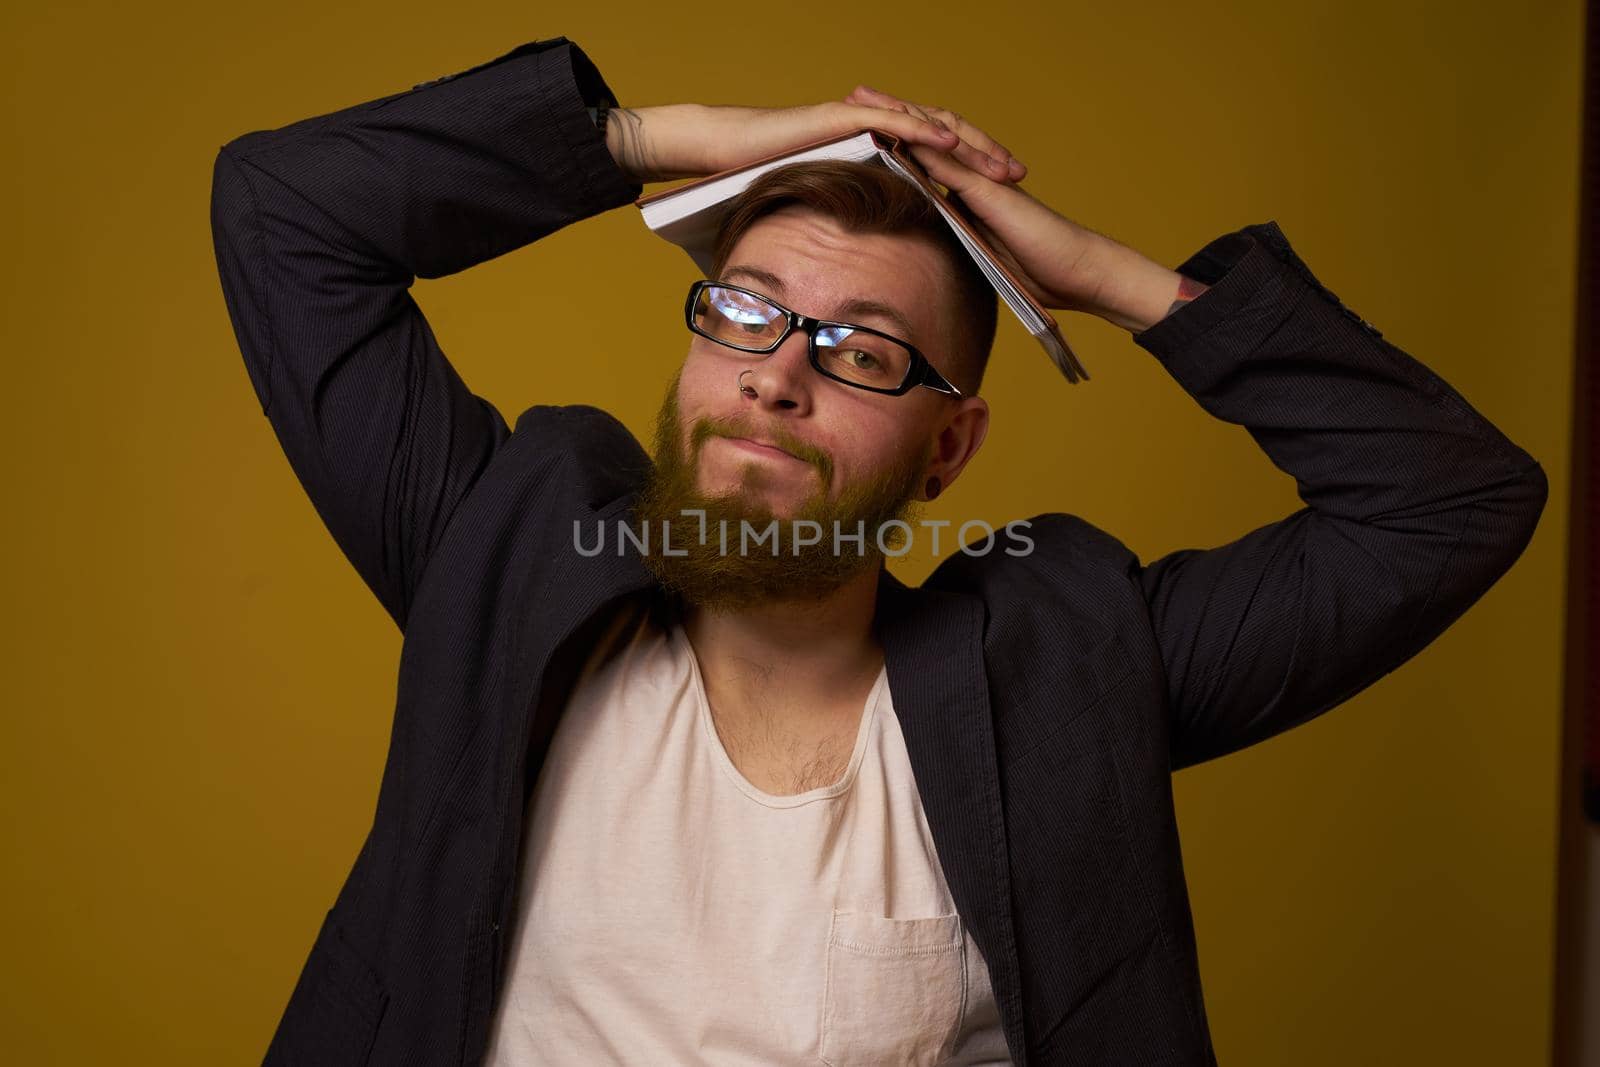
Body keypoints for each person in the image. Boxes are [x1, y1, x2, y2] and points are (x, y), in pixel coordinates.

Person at [208, 35, 1548, 1067]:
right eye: (745, 310)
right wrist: (669, 138)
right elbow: (285, 212)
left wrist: (1102, 276)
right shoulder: (500, 557)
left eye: (860, 350)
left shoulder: (1068, 672)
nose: (777, 378)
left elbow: (1450, 500)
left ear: (948, 450)